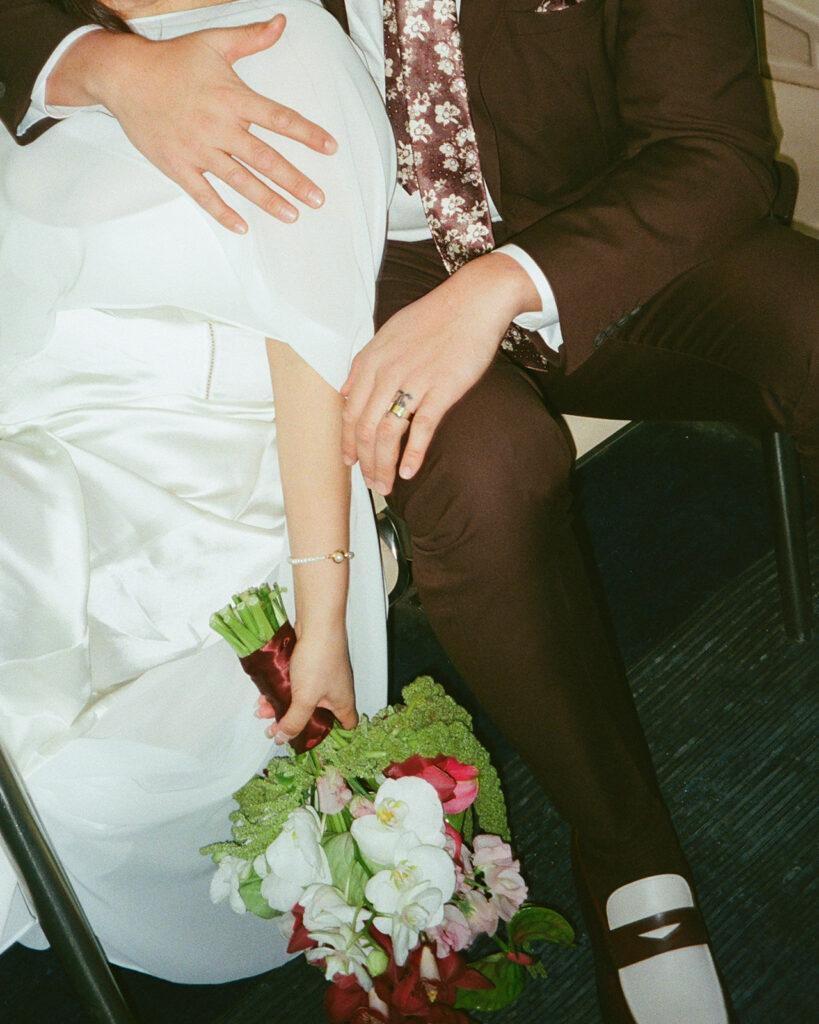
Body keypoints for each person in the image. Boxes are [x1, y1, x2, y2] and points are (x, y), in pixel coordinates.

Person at [3, 1, 819, 1021]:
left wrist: (498, 289)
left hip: (595, 235)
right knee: (482, 473)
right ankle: (628, 852)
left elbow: (718, 154)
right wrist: (107, 68)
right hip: (374, 274)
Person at [0, 0, 394, 984]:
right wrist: (106, 68)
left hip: (181, 512)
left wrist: (324, 612)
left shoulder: (280, 43)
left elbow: (314, 349)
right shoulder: (42, 33)